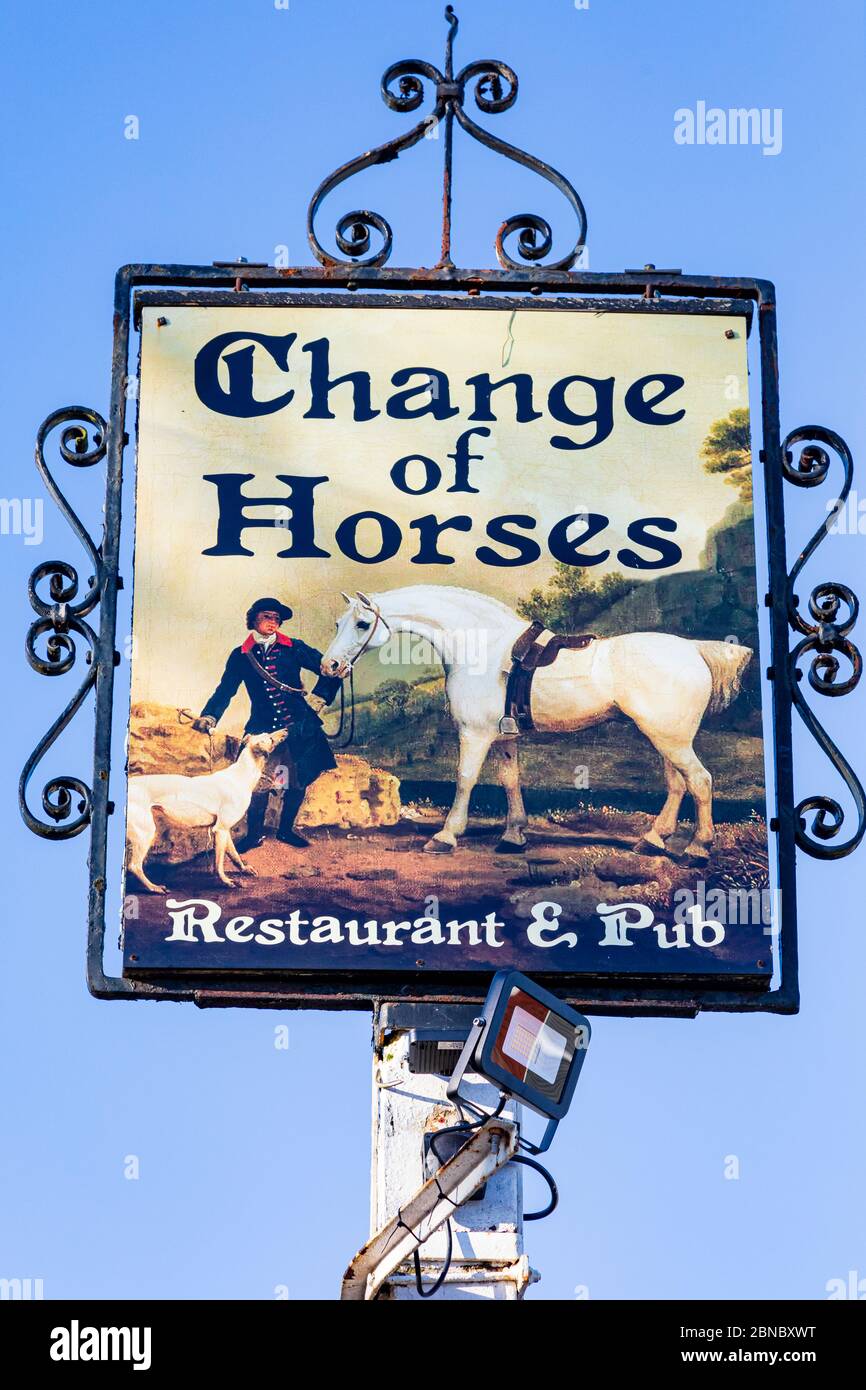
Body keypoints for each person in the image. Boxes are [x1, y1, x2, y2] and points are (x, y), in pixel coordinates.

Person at [193, 598, 341, 850]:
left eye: (276, 618)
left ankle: (286, 831)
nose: (272, 622)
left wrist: (319, 699)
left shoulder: (294, 647)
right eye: (266, 617)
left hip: (299, 725)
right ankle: (254, 836)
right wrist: (210, 715)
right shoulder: (240, 655)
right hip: (262, 726)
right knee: (255, 782)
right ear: (253, 620)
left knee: (298, 778)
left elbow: (332, 668)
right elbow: (226, 689)